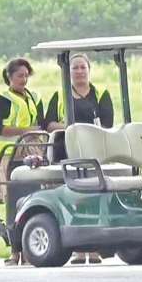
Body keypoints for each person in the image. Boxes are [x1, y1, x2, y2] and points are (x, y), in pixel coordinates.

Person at [44, 53, 114, 265]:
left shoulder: (101, 93)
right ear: (68, 71)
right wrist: (68, 127)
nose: (79, 71)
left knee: (92, 197)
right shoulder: (59, 95)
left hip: (92, 154)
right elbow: (48, 124)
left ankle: (92, 248)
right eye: (75, 68)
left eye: (83, 67)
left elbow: (108, 124)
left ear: (89, 70)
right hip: (66, 152)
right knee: (71, 197)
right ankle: (76, 249)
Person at [0, 58, 47, 266]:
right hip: (9, 153)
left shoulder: (34, 97)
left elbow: (40, 122)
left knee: (32, 197)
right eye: (19, 76)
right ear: (9, 77)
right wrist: (26, 131)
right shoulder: (1, 98)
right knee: (12, 201)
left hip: (30, 152)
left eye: (25, 75)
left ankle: (28, 248)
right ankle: (15, 250)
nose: (23, 80)